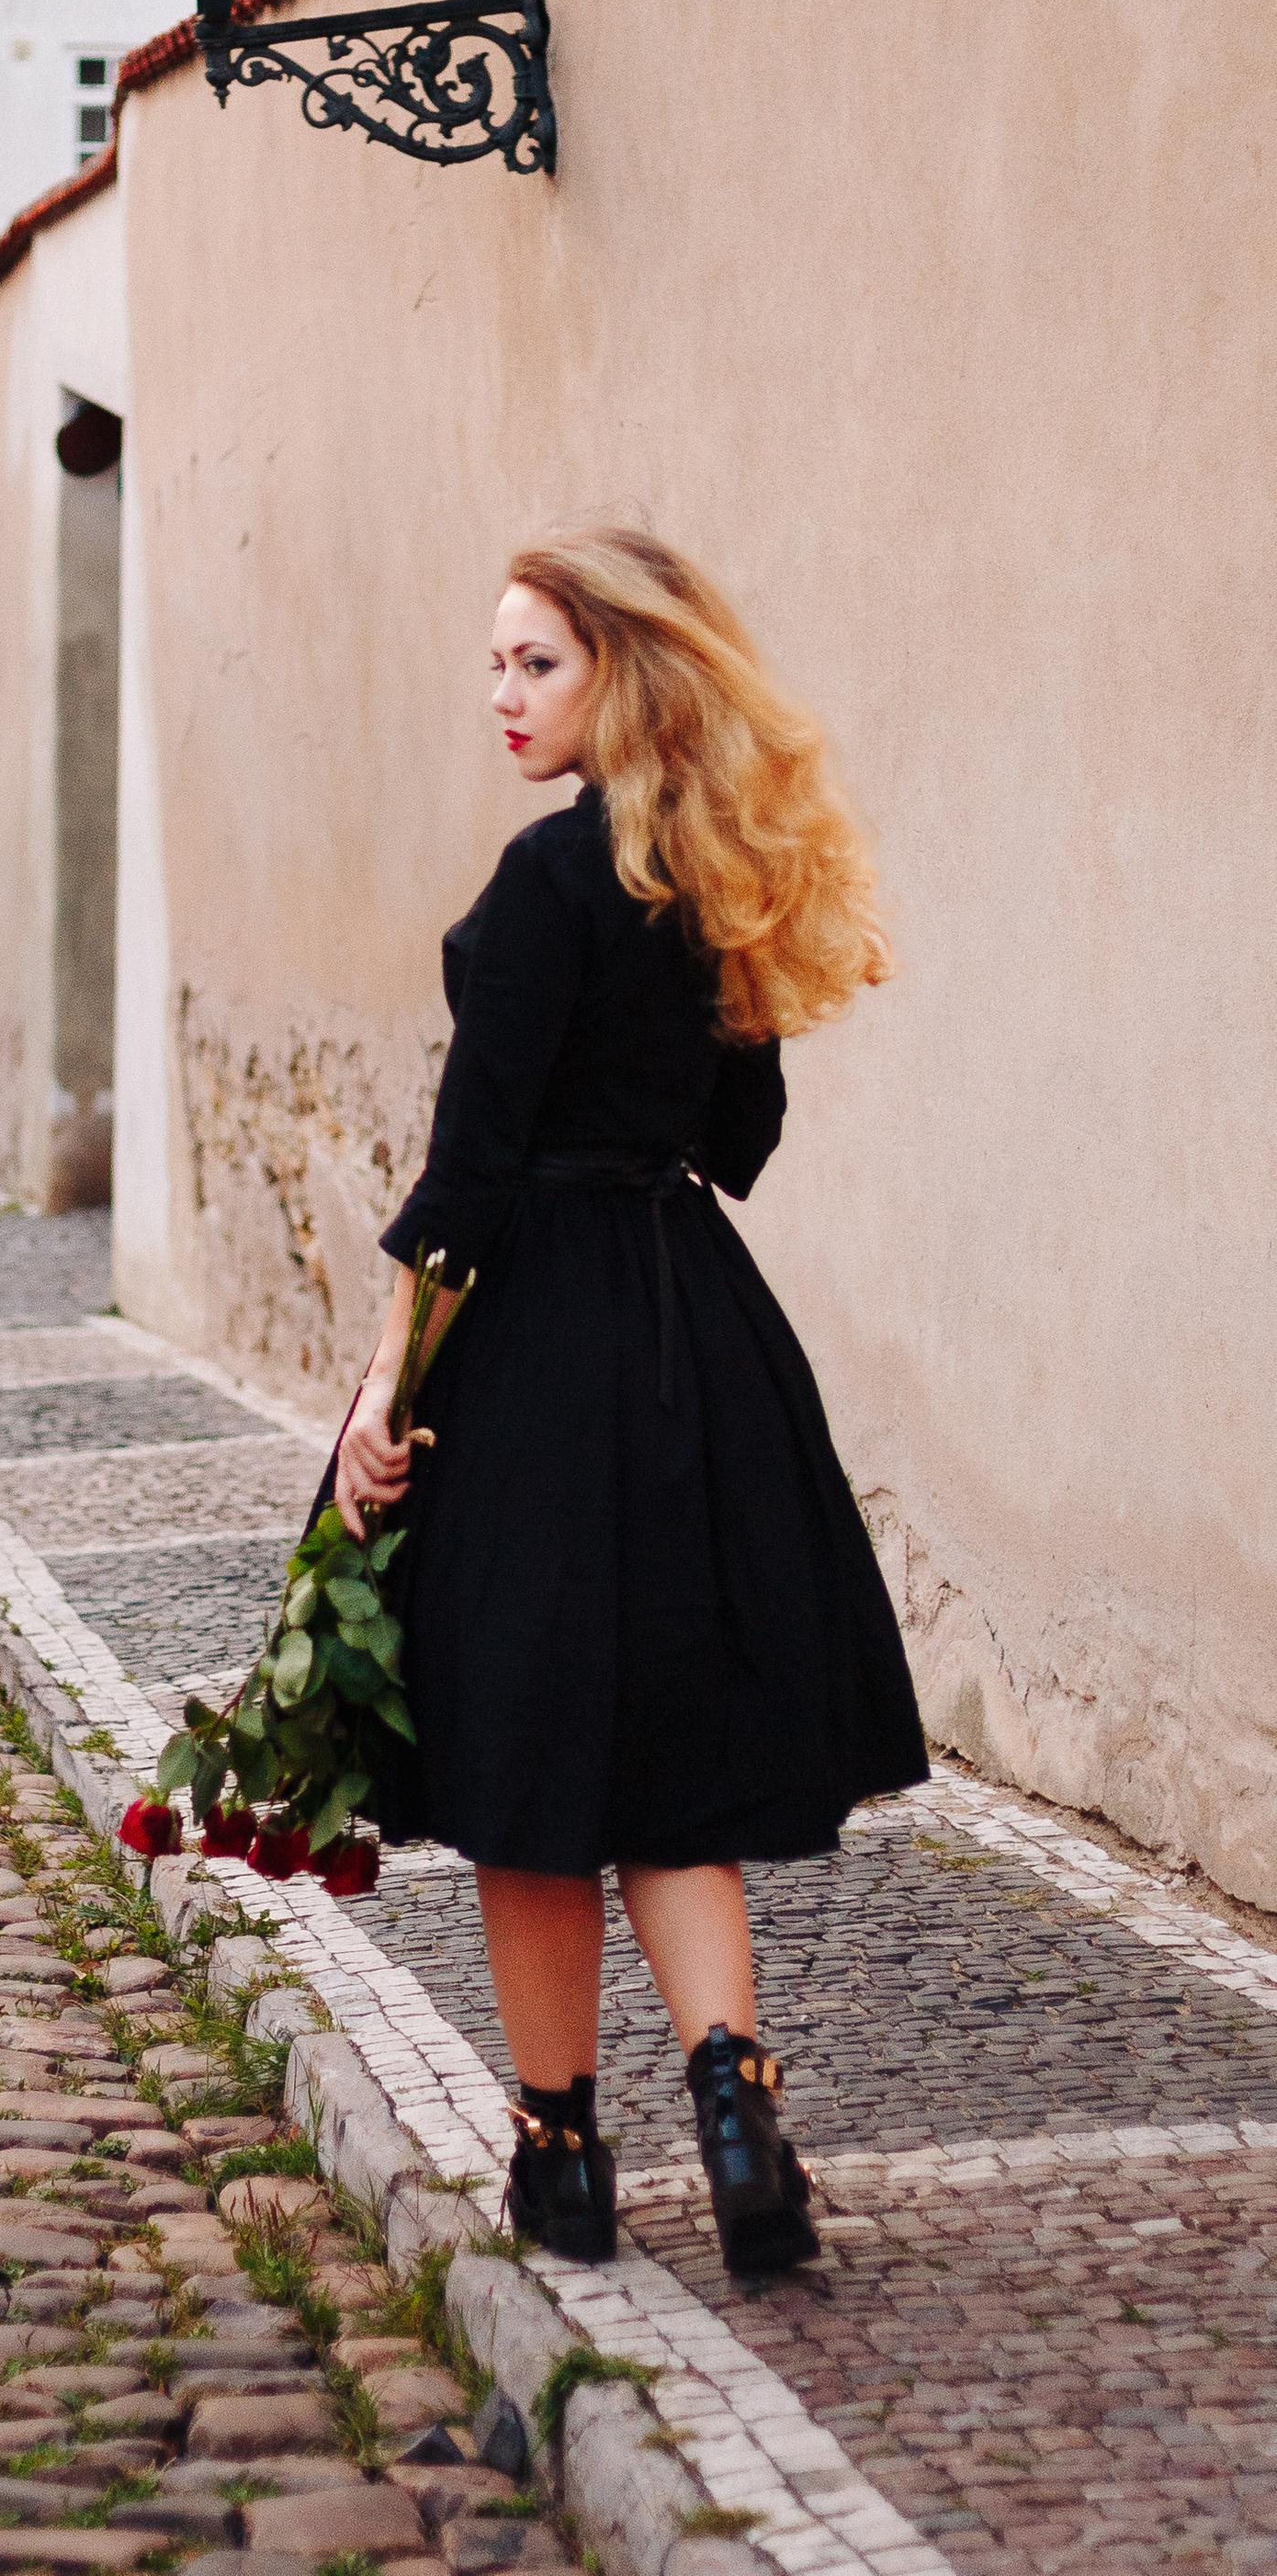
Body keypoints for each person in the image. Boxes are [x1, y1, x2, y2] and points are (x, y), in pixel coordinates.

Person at [334, 525, 928, 2276]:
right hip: (692, 1340)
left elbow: (469, 1178)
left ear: (627, 673)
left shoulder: (545, 883)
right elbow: (739, 1144)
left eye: (537, 662)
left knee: (530, 1761)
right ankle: (736, 2105)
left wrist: (384, 1392)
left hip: (533, 1347)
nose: (501, 695)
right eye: (497, 662)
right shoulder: (714, 879)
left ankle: (563, 2160)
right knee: (669, 1756)